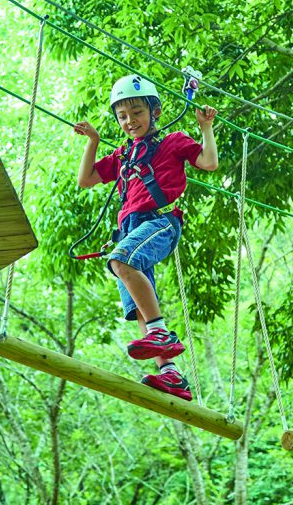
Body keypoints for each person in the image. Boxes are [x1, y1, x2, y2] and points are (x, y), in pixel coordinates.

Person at [73, 74, 218, 401]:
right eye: (122, 116)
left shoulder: (173, 141)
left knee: (121, 261)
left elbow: (208, 162)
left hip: (160, 221)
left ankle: (161, 334)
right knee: (139, 307)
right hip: (131, 229)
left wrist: (205, 128)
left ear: (155, 112)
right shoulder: (124, 155)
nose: (129, 121)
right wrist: (93, 141)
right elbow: (86, 179)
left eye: (137, 112)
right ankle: (171, 374)